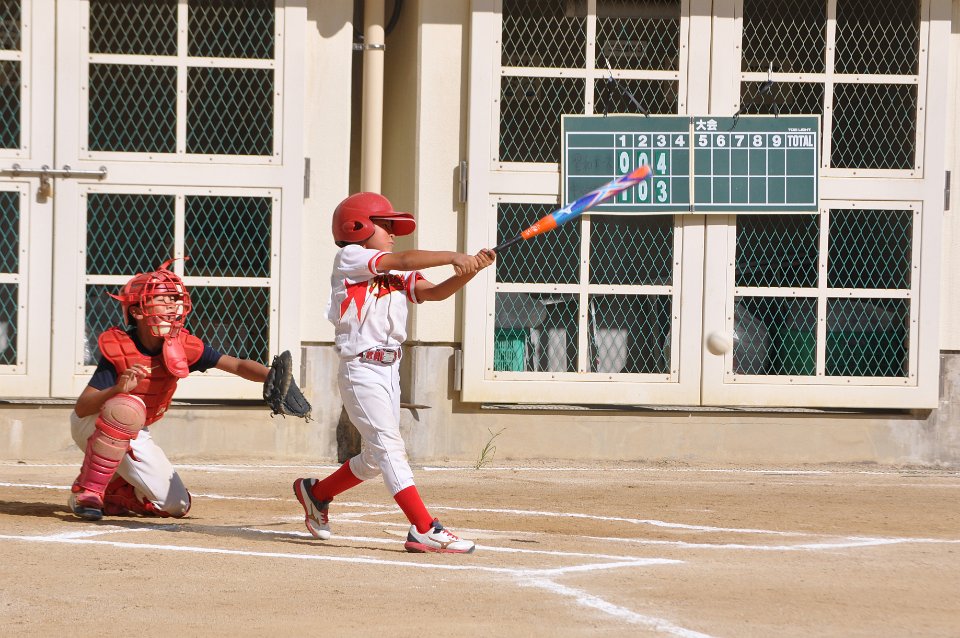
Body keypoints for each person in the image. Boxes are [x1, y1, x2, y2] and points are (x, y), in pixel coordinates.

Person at [293, 192, 495, 554]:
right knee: (389, 447)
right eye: (385, 225)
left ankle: (317, 494)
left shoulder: (397, 271)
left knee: (375, 457)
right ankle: (423, 528)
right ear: (357, 227)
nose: (392, 233)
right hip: (360, 368)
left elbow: (434, 293)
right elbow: (401, 258)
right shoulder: (351, 256)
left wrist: (470, 270)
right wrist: (454, 256)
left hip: (389, 370)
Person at [68, 258, 271, 521]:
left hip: (133, 430)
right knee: (126, 406)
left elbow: (238, 365)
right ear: (138, 311)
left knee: (177, 505)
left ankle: (117, 491)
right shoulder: (122, 346)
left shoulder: (181, 344)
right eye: (162, 299)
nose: (171, 305)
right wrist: (117, 389)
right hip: (95, 422)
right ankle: (88, 491)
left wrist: (272, 377)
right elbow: (82, 408)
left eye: (174, 299)